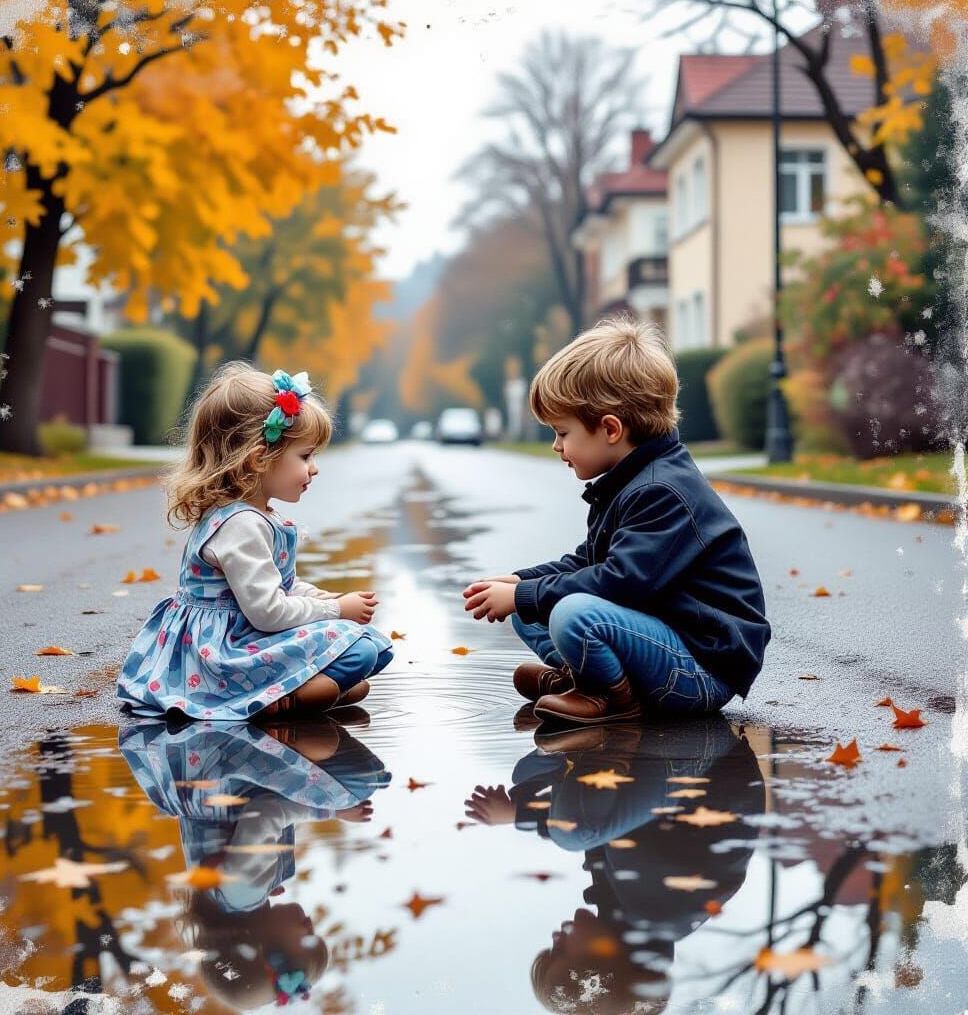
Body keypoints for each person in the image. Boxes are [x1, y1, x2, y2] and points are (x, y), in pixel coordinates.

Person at [462, 316, 770, 724]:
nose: (556, 446)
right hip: (665, 642)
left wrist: (527, 593)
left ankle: (612, 697)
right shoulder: (628, 481)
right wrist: (519, 584)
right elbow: (589, 560)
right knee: (530, 605)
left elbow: (620, 583)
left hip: (702, 667)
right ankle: (581, 676)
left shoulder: (662, 491)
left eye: (562, 432)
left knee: (570, 612)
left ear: (610, 428)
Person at [117, 362, 394, 721]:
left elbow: (277, 587)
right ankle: (274, 699)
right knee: (360, 655)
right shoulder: (242, 525)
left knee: (374, 646)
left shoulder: (254, 514)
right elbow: (269, 612)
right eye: (305, 456)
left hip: (242, 634)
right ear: (260, 459)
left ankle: (304, 688)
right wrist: (336, 611)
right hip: (220, 656)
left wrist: (328, 598)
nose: (315, 468)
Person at [463, 717, 764, 1013]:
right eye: (562, 951)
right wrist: (519, 817)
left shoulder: (624, 909)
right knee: (574, 832)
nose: (556, 937)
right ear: (606, 959)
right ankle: (606, 733)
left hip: (680, 767)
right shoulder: (660, 913)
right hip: (703, 757)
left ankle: (588, 725)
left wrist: (524, 803)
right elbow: (605, 833)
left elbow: (603, 833)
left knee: (528, 780)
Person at [119, 716, 390, 1009]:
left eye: (308, 937)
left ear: (266, 949)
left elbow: (267, 813)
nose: (311, 924)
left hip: (225, 767)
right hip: (195, 770)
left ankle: (281, 706)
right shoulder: (227, 902)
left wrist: (331, 812)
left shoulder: (244, 892)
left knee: (365, 780)